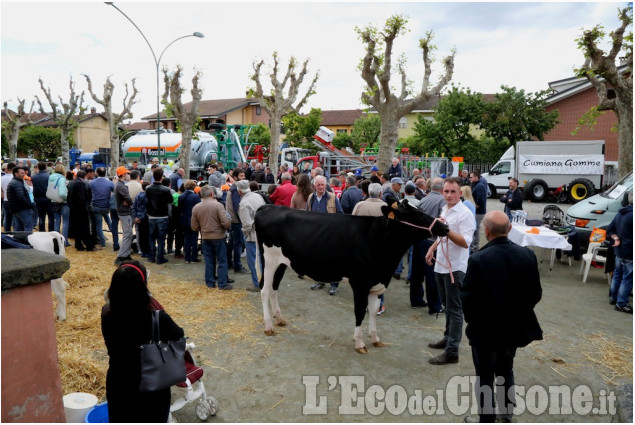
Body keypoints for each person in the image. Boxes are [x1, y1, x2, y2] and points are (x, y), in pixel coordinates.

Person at [461, 210, 543, 423]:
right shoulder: (527, 255)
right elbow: (535, 294)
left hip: (485, 330)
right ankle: (506, 415)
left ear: (486, 232)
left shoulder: (478, 259)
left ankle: (487, 419)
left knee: (485, 375)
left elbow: (468, 300)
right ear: (509, 229)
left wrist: (476, 321)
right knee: (506, 369)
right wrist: (518, 312)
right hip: (514, 327)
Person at [101, 260, 184, 423]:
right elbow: (178, 334)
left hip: (119, 382)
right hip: (151, 384)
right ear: (142, 287)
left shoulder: (107, 313)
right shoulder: (157, 318)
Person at [425, 177, 475, 365]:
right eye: (446, 191)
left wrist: (445, 231)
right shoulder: (445, 208)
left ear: (460, 193)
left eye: (453, 191)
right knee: (446, 304)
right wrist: (432, 248)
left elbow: (465, 242)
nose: (449, 195)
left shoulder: (465, 213)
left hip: (455, 267)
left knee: (455, 309)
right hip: (441, 265)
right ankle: (447, 338)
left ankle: (452, 351)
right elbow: (442, 234)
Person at [410, 177, 446, 313]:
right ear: (442, 189)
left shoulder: (423, 200)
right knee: (431, 274)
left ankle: (416, 300)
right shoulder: (442, 201)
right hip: (431, 241)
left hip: (419, 239)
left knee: (417, 272)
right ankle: (435, 306)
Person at [307, 175, 344, 295]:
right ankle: (320, 280)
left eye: (322, 184)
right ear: (314, 186)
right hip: (316, 235)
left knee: (333, 261)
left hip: (330, 235)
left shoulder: (332, 197)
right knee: (317, 259)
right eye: (318, 185)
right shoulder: (310, 198)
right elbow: (307, 215)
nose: (321, 187)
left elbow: (340, 215)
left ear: (325, 185)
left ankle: (334, 285)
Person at [191, 185, 232, 289]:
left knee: (209, 261)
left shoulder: (196, 207)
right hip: (219, 236)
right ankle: (222, 284)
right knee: (222, 260)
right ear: (212, 194)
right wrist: (227, 225)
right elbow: (225, 222)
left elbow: (194, 226)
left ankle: (210, 283)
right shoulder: (218, 205)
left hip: (205, 236)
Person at [237, 180, 266, 292]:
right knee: (261, 259)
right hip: (262, 232)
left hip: (252, 235)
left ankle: (258, 284)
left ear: (239, 191)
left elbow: (247, 224)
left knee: (253, 260)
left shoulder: (244, 204)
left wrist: (245, 232)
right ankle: (263, 281)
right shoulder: (258, 196)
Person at [607, 191, 633, 313]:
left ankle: (614, 297)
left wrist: (616, 238)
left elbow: (610, 230)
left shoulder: (620, 213)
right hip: (629, 251)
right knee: (627, 278)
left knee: (617, 274)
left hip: (619, 250)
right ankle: (621, 303)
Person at [145, 168, 173, 264]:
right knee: (161, 238)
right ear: (161, 177)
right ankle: (160, 257)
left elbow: (146, 201)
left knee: (152, 237)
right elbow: (170, 200)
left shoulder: (148, 189)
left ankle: (151, 256)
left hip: (152, 215)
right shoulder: (166, 190)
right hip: (162, 216)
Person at [226, 168, 249, 274]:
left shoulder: (234, 188)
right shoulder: (235, 190)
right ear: (235, 177)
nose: (243, 178)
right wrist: (243, 218)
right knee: (237, 244)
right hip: (236, 221)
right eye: (241, 176)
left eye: (244, 176)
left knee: (232, 242)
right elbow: (237, 207)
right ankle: (237, 266)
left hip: (233, 220)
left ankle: (229, 263)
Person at [67, 170, 94, 250]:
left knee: (76, 227)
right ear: (84, 176)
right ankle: (88, 245)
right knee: (84, 227)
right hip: (80, 209)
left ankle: (78, 244)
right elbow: (81, 198)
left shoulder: (71, 182)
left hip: (73, 208)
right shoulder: (81, 184)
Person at [90, 167, 115, 248]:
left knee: (98, 226)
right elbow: (115, 192)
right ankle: (115, 237)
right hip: (106, 206)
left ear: (97, 173)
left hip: (96, 206)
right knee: (108, 220)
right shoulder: (110, 183)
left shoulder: (92, 183)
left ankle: (102, 243)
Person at [114, 166, 134, 265]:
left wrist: (127, 202)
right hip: (124, 212)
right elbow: (128, 197)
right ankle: (121, 256)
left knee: (128, 234)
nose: (128, 175)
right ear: (123, 175)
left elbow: (126, 198)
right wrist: (131, 203)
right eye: (126, 173)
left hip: (123, 211)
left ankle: (125, 254)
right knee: (127, 234)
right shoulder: (121, 186)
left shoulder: (119, 184)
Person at [179, 180, 201, 264]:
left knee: (187, 239)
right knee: (194, 239)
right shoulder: (195, 197)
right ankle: (194, 257)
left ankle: (187, 257)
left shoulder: (181, 196)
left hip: (184, 220)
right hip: (193, 220)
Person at [7, 166, 35, 232]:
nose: (24, 175)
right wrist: (29, 205)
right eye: (22, 173)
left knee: (18, 229)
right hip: (22, 209)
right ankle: (25, 241)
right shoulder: (17, 183)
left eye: (24, 173)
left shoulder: (15, 182)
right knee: (28, 227)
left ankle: (18, 241)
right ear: (16, 174)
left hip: (17, 209)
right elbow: (21, 197)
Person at [32, 162, 54, 232]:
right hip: (48, 199)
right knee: (51, 217)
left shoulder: (34, 177)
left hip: (38, 199)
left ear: (38, 167)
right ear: (46, 167)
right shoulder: (49, 177)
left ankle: (42, 231)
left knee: (41, 217)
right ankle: (51, 231)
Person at [470, 170, 487, 252]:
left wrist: (476, 205)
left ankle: (475, 247)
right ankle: (474, 246)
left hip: (479, 211)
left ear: (476, 177)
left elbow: (481, 198)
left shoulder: (479, 185)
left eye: (471, 177)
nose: (470, 178)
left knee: (475, 228)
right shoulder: (476, 184)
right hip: (478, 210)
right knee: (475, 228)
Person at [132, 182, 150, 259]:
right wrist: (142, 217)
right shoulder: (148, 197)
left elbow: (134, 207)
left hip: (138, 217)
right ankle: (147, 251)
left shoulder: (138, 196)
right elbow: (147, 209)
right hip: (145, 218)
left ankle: (142, 251)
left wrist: (135, 217)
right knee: (147, 235)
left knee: (141, 235)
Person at [1, 162, 16, 231]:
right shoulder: (15, 178)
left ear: (7, 169)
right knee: (16, 219)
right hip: (14, 201)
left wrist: (4, 196)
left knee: (7, 219)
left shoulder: (2, 178)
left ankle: (6, 233)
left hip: (6, 200)